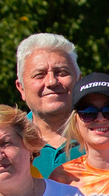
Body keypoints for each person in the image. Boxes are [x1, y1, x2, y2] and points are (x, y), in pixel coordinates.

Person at [16, 32, 83, 176]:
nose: (52, 82)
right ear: (21, 88)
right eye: (39, 75)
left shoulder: (105, 137)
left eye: (61, 72)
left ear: (79, 80)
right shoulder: (8, 142)